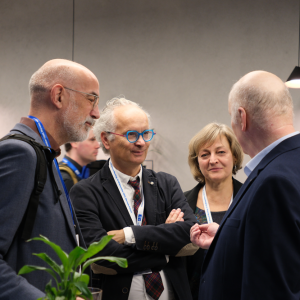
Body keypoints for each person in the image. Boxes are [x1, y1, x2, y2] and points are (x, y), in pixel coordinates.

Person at [70, 97, 198, 300]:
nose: (141, 142)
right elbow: (101, 257)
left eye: (146, 134)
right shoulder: (86, 192)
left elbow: (190, 233)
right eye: (131, 135)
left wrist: (130, 235)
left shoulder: (166, 184)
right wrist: (166, 249)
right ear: (105, 139)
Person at [191, 71, 300, 300]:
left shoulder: (274, 181)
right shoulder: (290, 164)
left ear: (242, 117)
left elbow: (272, 289)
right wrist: (227, 238)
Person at [0, 59, 100, 300]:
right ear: (58, 96)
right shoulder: (20, 153)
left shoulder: (46, 154)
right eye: (91, 99)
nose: (96, 113)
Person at [184, 122, 243, 300]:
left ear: (234, 156)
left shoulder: (251, 199)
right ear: (197, 162)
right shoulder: (182, 203)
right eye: (205, 154)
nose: (213, 160)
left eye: (220, 152)